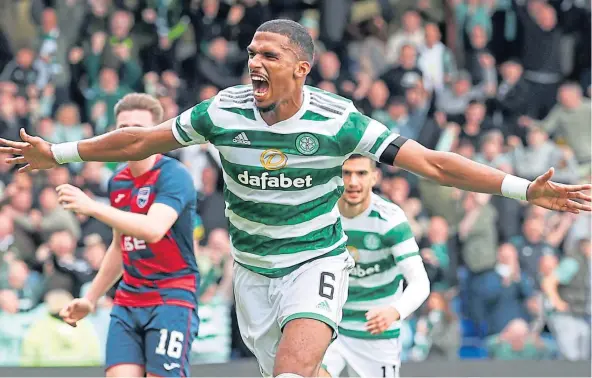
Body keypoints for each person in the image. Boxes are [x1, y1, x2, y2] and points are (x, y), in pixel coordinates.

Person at [0, 19, 590, 378]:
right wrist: (62, 151)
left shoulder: (339, 122)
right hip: (252, 273)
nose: (253, 63)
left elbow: (434, 163)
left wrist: (522, 189)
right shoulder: (222, 111)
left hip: (315, 263)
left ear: (301, 69)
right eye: (251, 54)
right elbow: (140, 137)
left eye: (269, 57)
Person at [56, 93, 199, 378]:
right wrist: (92, 298)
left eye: (137, 127)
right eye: (122, 127)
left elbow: (153, 229)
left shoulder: (174, 175)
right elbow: (121, 245)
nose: (128, 134)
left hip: (171, 298)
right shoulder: (118, 181)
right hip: (128, 301)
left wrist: (92, 207)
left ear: (156, 135)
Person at [321, 155, 429, 378]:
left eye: (361, 173)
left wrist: (394, 312)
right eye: (346, 173)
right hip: (328, 324)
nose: (353, 182)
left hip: (375, 329)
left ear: (375, 178)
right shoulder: (321, 215)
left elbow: (420, 283)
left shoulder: (390, 220)